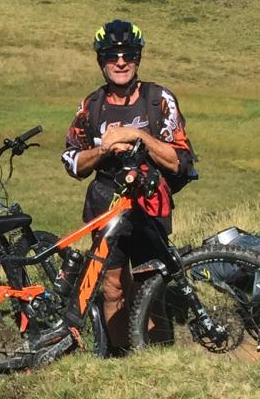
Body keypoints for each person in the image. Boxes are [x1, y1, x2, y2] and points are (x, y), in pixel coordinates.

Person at [60, 20, 194, 352]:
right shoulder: (91, 106)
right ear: (100, 60)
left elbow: (180, 160)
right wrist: (103, 150)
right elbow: (71, 161)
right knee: (113, 288)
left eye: (128, 54)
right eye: (111, 55)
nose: (120, 62)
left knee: (152, 286)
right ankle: (122, 361)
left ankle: (159, 361)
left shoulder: (159, 100)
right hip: (107, 202)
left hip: (150, 202)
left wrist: (137, 136)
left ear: (138, 58)